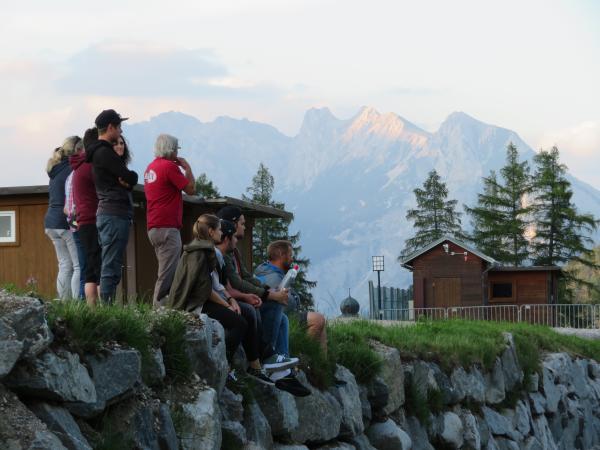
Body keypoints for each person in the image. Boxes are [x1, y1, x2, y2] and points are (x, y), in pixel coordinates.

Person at [167, 214, 274, 386]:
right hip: (195, 305)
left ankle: (251, 366)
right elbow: (205, 289)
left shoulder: (203, 250)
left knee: (241, 317)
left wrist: (230, 300)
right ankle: (225, 367)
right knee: (239, 323)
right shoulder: (200, 253)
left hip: (202, 300)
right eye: (218, 229)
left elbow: (214, 283)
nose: (220, 233)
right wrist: (227, 304)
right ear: (210, 232)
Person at [86, 109, 138, 303]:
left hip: (108, 213)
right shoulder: (104, 152)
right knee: (111, 264)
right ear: (110, 127)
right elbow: (129, 176)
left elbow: (126, 178)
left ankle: (108, 307)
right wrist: (129, 179)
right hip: (114, 214)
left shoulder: (97, 153)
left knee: (111, 263)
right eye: (119, 127)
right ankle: (107, 310)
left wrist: (127, 180)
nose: (121, 132)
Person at [144, 134, 195, 308]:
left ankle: (165, 308)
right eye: (177, 149)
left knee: (164, 270)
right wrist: (187, 167)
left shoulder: (150, 168)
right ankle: (159, 312)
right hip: (168, 227)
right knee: (167, 274)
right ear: (171, 149)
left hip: (153, 226)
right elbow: (191, 189)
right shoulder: (168, 167)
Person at [255, 240, 328, 354]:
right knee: (317, 320)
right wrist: (294, 298)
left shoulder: (273, 272)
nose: (291, 259)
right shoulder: (272, 277)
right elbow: (285, 303)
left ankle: (322, 363)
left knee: (321, 323)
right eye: (289, 255)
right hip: (278, 316)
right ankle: (303, 355)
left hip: (282, 314)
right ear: (280, 254)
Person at [44, 136, 83, 299]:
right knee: (78, 265)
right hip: (66, 221)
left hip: (50, 222)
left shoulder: (55, 169)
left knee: (65, 265)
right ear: (77, 150)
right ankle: (76, 306)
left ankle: (63, 304)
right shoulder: (73, 169)